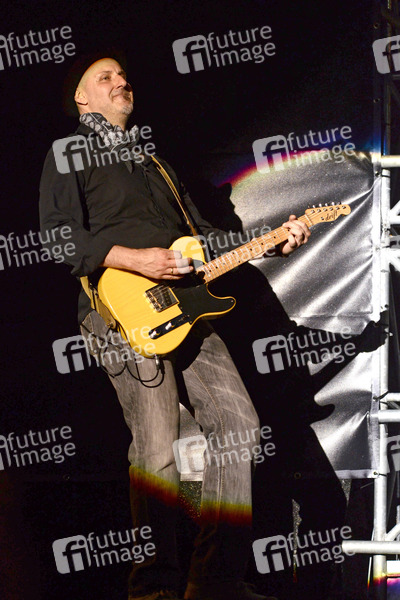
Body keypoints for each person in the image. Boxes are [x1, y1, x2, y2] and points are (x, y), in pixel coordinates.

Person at [39, 57, 310, 600]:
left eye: (123, 74)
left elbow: (203, 239)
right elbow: (58, 236)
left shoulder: (154, 161)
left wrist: (271, 242)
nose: (121, 81)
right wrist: (134, 259)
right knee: (156, 447)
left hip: (187, 308)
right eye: (104, 78)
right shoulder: (68, 152)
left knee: (240, 427)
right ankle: (153, 587)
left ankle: (215, 580)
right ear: (82, 99)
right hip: (119, 311)